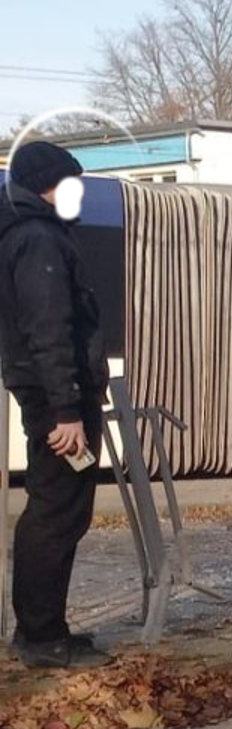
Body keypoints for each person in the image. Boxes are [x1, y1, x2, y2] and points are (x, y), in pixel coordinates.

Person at [0, 141, 110, 669]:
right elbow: (49, 330)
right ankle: (41, 638)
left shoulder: (29, 232)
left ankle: (48, 630)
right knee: (54, 513)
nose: (77, 191)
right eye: (71, 182)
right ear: (49, 184)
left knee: (61, 511)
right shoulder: (38, 239)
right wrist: (67, 411)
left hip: (51, 396)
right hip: (57, 403)